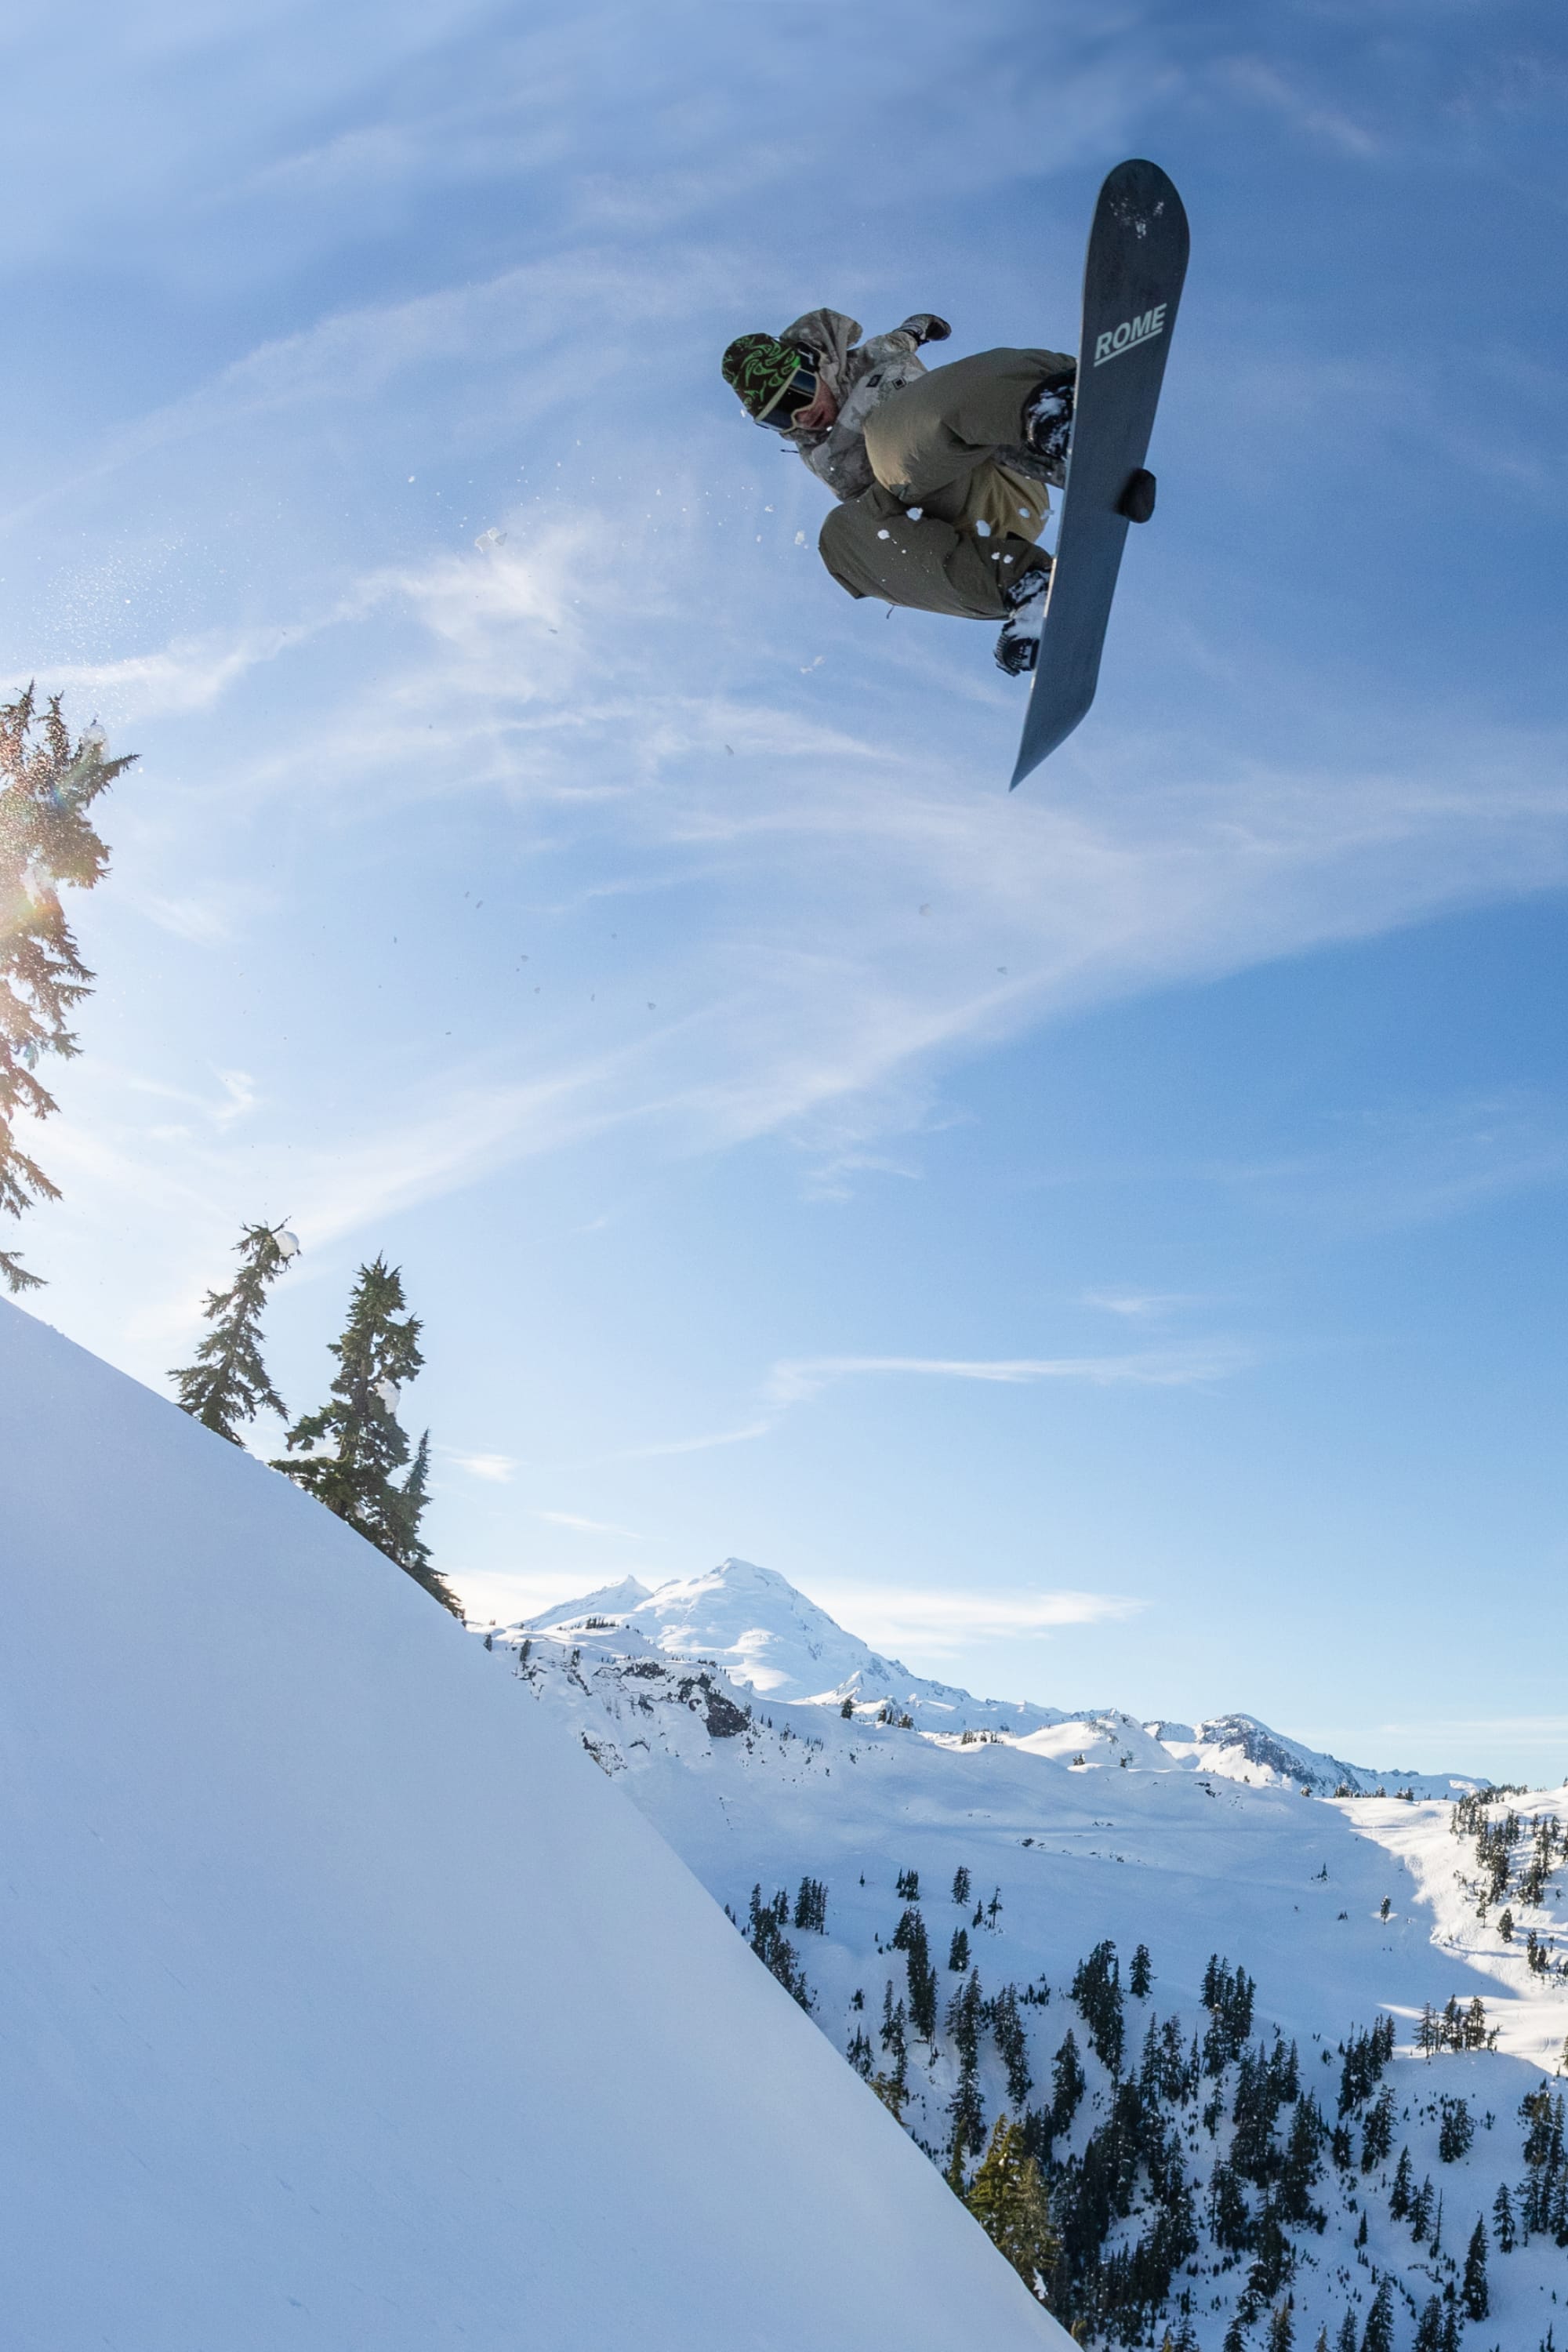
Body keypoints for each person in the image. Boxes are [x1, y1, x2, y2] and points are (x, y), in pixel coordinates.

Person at [721, 310, 1075, 673]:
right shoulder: (818, 455)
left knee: (889, 432)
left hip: (1002, 470)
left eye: (797, 394)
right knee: (839, 537)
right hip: (968, 533)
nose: (800, 417)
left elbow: (904, 337)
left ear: (813, 363)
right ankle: (1026, 589)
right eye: (779, 417)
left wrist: (919, 328)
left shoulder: (876, 356)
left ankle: (1053, 407)